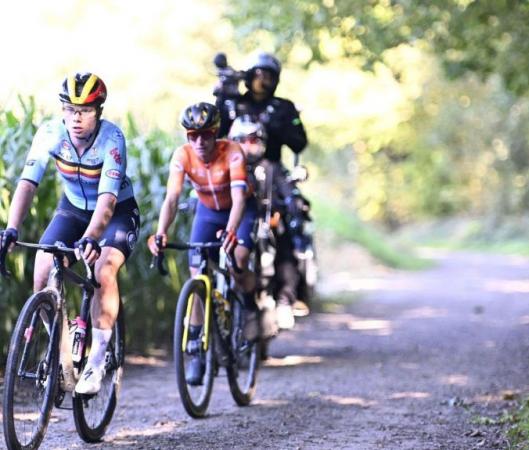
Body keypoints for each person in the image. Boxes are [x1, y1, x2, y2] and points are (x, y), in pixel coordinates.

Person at [0, 72, 140, 395]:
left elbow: (106, 202)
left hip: (116, 212)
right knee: (42, 272)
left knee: (104, 268)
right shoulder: (49, 133)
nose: (77, 118)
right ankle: (63, 360)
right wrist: (11, 228)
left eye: (85, 110)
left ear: (98, 112)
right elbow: (27, 184)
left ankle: (97, 360)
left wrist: (92, 237)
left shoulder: (112, 139)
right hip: (73, 208)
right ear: (62, 110)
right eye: (70, 109)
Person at [147, 102, 261, 385]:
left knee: (239, 263)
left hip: (240, 211)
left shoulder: (233, 152)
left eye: (206, 135)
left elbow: (238, 200)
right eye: (192, 135)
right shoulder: (182, 155)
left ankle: (248, 307)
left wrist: (232, 231)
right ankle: (197, 349)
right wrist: (161, 232)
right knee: (197, 275)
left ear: (215, 134)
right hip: (207, 212)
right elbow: (172, 198)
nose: (199, 142)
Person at [215, 51, 308, 330]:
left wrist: (275, 126)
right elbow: (213, 132)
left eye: (269, 76)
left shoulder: (283, 107)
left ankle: (286, 297)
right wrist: (221, 97)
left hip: (272, 174)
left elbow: (299, 142)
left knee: (288, 225)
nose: (263, 81)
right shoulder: (233, 103)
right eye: (258, 74)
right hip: (232, 172)